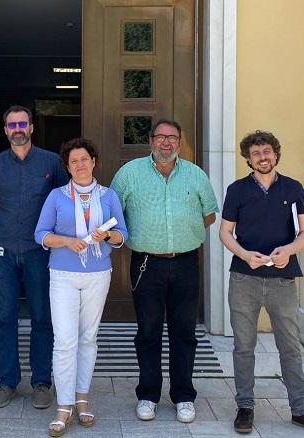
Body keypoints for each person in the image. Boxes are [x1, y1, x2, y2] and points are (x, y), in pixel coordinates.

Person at [219, 130, 304, 437]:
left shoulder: (294, 188)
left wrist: (289, 251)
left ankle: (301, 410)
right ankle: (245, 407)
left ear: (276, 154)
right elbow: (225, 233)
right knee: (243, 347)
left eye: (267, 151)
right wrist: (245, 255)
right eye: (256, 153)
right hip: (244, 278)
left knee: (290, 348)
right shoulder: (237, 190)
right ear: (248, 158)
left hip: (283, 280)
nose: (263, 157)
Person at [110, 119, 218, 424]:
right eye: (161, 137)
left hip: (185, 262)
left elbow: (208, 215)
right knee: (148, 331)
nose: (166, 143)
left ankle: (184, 396)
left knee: (184, 332)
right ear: (150, 141)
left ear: (180, 142)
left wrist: (182, 234)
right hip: (147, 264)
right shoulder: (129, 174)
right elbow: (112, 215)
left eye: (173, 138)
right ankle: (148, 395)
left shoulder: (195, 175)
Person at [35, 138, 128, 437]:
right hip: (62, 274)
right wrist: (66, 241)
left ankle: (82, 398)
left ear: (94, 161)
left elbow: (123, 236)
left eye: (84, 159)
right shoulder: (56, 196)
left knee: (88, 338)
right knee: (65, 340)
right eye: (74, 161)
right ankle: (64, 406)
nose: (80, 165)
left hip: (98, 274)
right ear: (67, 166)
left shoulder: (109, 195)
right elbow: (40, 234)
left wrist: (107, 236)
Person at [0, 105, 69, 409]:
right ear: (5, 130)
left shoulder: (51, 162)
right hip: (2, 250)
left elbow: (61, 202)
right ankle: (7, 381)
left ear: (31, 127)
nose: (17, 129)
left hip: (39, 252)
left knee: (42, 317)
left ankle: (42, 382)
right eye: (11, 125)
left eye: (22, 123)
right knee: (4, 317)